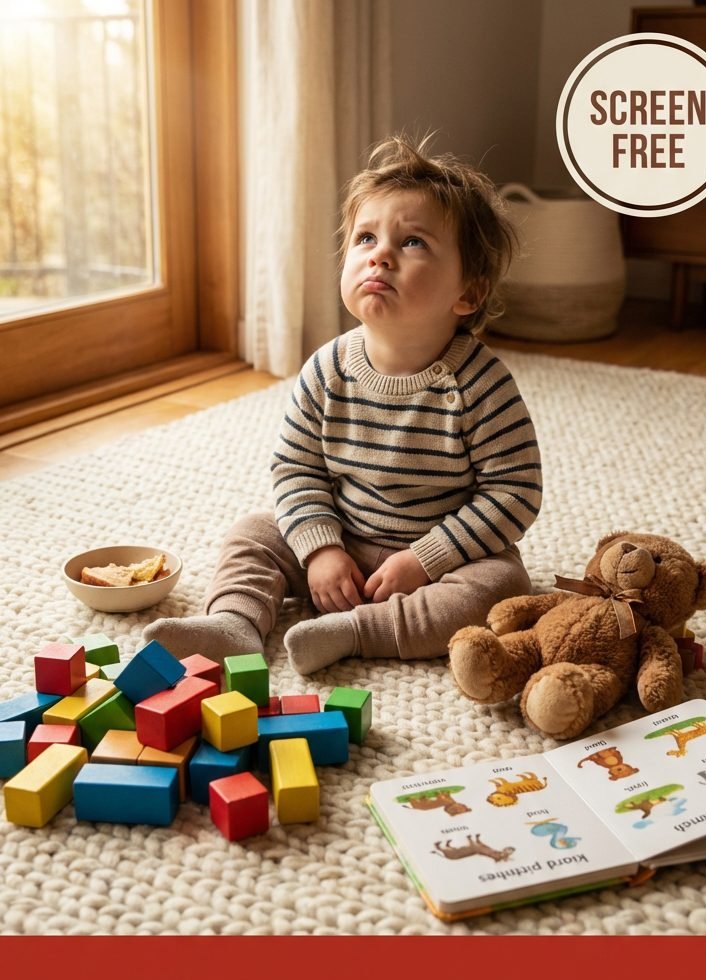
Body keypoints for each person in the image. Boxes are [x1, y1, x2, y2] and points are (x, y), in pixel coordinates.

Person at [145, 134, 542, 675]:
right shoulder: (327, 370)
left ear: (467, 294)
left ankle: (356, 632)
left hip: (440, 556)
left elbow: (514, 493)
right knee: (253, 533)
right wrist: (320, 549)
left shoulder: (480, 384)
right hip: (345, 533)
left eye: (413, 243)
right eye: (365, 238)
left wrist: (426, 560)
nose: (380, 253)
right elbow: (296, 468)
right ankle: (235, 624)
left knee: (501, 587)